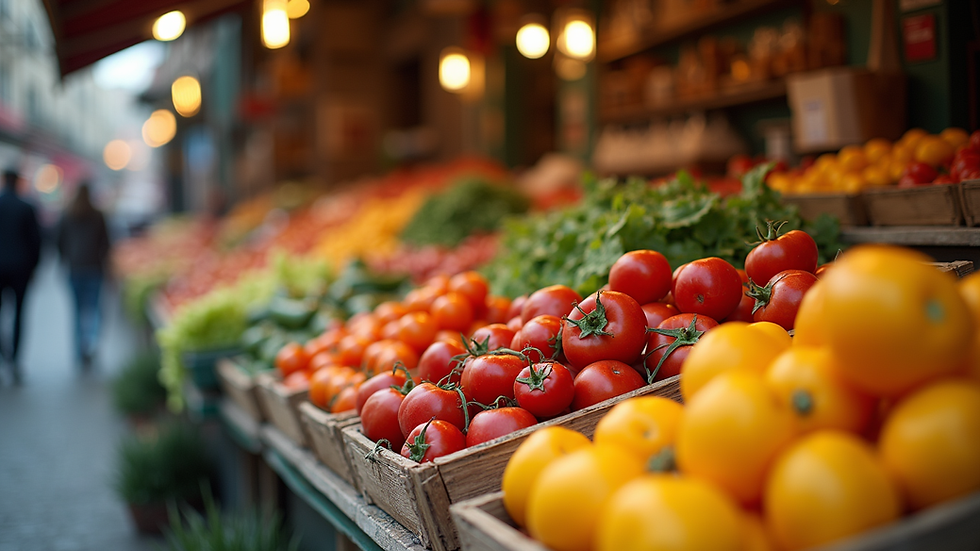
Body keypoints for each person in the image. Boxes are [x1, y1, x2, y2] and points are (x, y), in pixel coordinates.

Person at [57, 182, 110, 370]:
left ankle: (80, 349)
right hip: (94, 267)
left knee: (78, 311)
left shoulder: (67, 214)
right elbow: (106, 242)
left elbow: (59, 241)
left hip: (75, 267)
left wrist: (66, 259)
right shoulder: (98, 215)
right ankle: (91, 343)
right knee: (94, 309)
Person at [0, 169, 42, 384]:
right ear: (17, 182)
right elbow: (36, 242)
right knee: (19, 314)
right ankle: (14, 360)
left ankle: (3, 352)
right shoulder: (26, 207)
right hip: (20, 269)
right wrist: (35, 268)